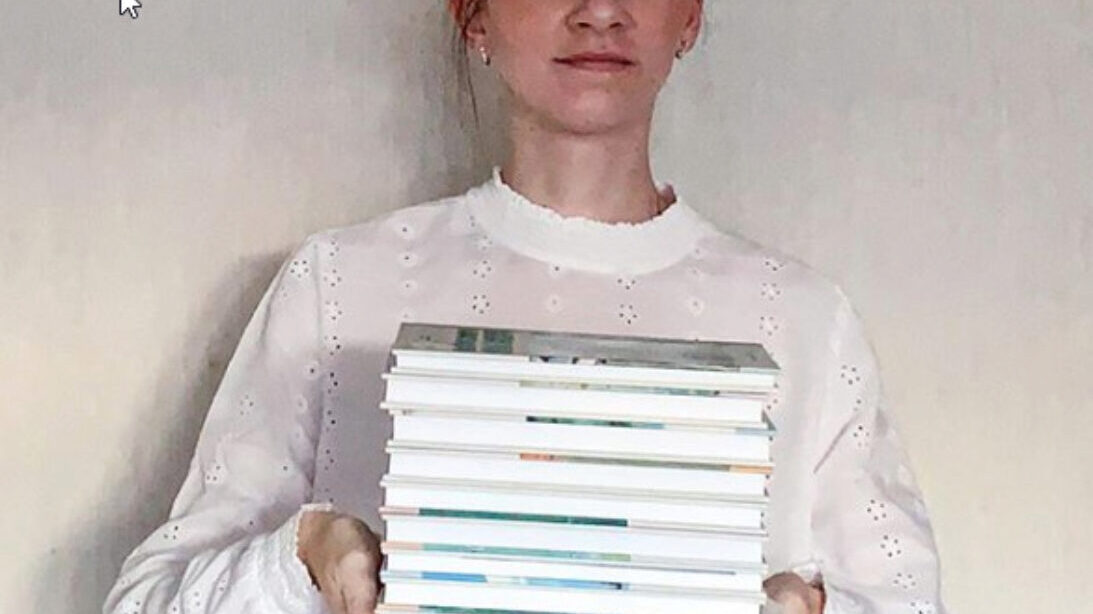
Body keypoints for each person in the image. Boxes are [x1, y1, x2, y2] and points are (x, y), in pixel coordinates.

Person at [103, 1, 948, 613]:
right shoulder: (338, 285)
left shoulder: (801, 320)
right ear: (471, 16)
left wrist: (814, 610)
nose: (599, 11)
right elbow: (148, 602)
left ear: (688, 16)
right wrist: (305, 557)